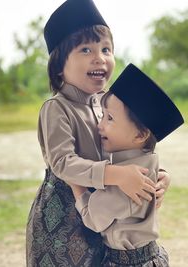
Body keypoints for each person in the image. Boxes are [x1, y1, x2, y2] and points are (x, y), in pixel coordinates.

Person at [26, 0, 170, 266]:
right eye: (85, 49)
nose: (100, 57)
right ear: (59, 64)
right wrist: (115, 174)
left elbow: (136, 143)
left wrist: (157, 178)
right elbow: (62, 163)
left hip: (105, 211)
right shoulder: (57, 108)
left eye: (106, 49)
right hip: (66, 215)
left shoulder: (108, 102)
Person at [68, 63, 184, 267]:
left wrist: (75, 182)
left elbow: (92, 218)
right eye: (102, 115)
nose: (100, 125)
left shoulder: (127, 183)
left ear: (140, 135)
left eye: (110, 118)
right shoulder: (147, 160)